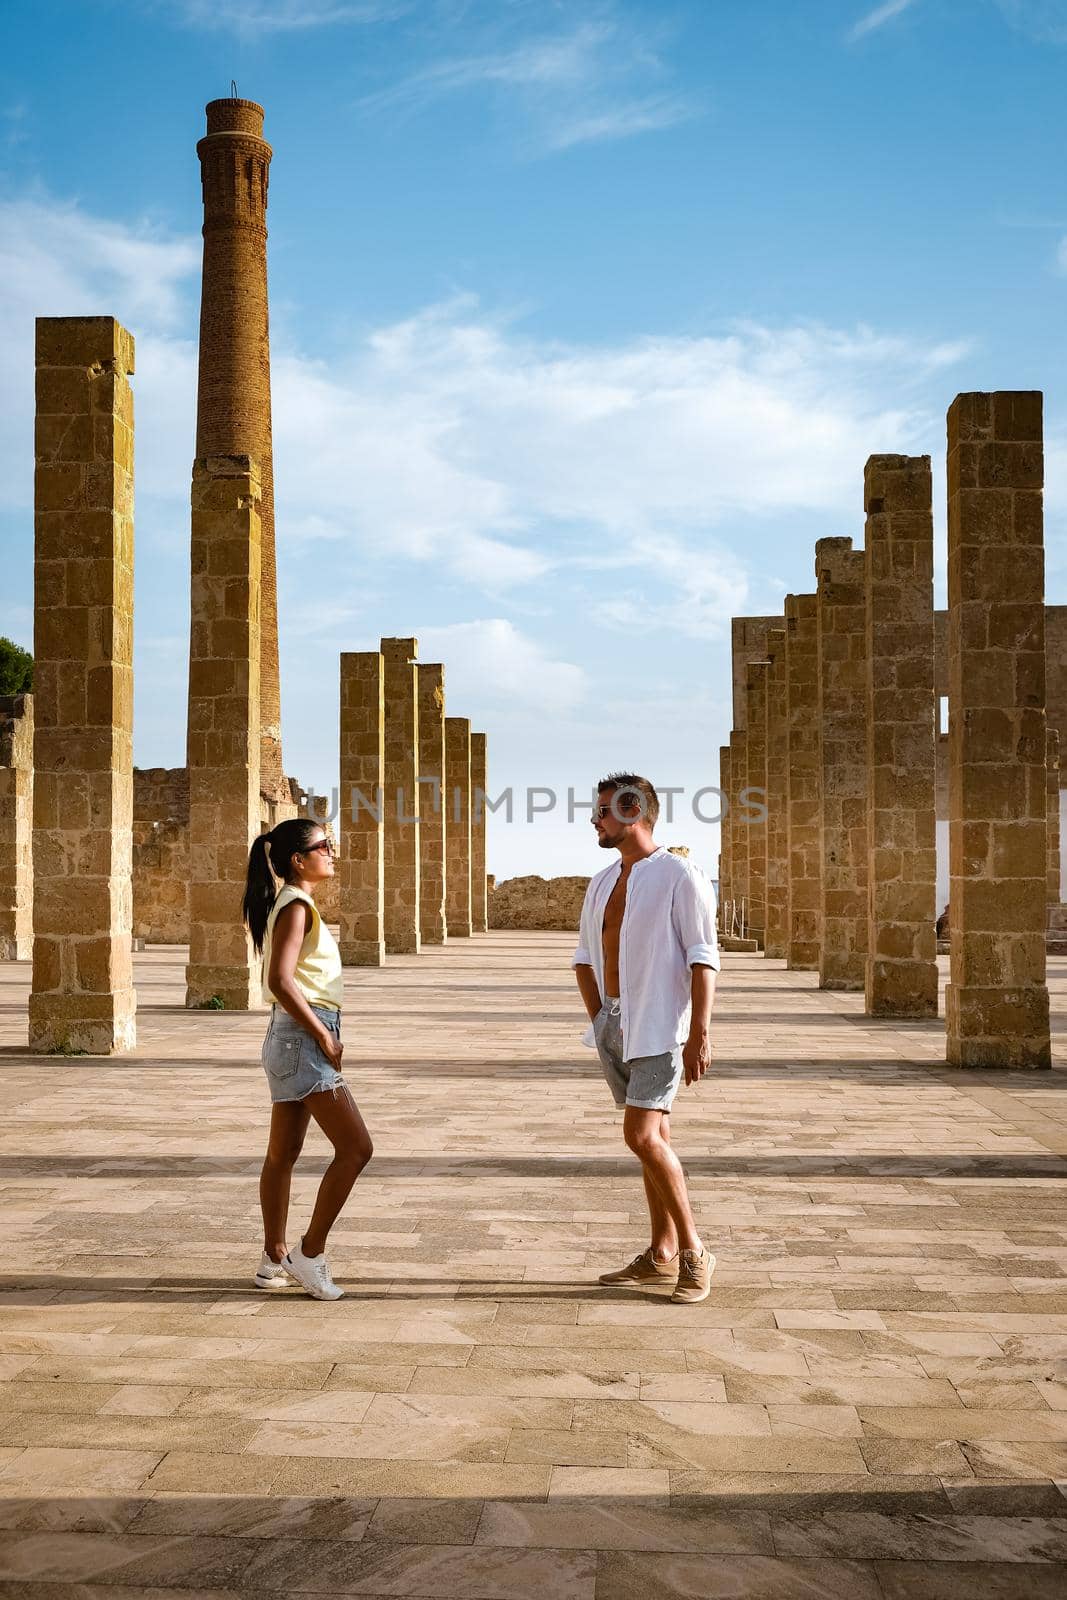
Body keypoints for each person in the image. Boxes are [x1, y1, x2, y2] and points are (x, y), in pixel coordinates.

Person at [573, 773, 720, 1304]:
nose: (596, 818)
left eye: (605, 810)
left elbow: (704, 956)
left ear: (634, 811)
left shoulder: (680, 875)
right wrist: (600, 1019)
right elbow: (585, 959)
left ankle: (694, 1251)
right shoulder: (601, 881)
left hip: (659, 1026)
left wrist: (699, 1032)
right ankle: (660, 1254)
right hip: (615, 1026)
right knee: (653, 1140)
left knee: (640, 1137)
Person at [242, 818, 373, 1301]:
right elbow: (279, 979)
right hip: (304, 1034)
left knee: (283, 1154)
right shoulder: (296, 905)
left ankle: (273, 1256)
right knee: (357, 1148)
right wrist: (324, 1035)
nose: (332, 852)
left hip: (289, 1035)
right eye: (325, 845)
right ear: (299, 859)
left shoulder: (293, 902)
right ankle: (308, 1254)